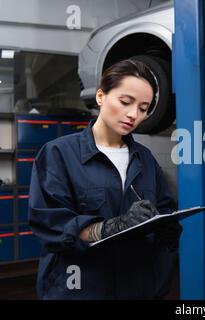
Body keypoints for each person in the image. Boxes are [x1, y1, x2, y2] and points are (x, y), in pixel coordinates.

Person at [28, 59, 182, 299]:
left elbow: (164, 211)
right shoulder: (58, 154)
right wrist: (112, 227)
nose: (133, 115)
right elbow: (52, 225)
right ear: (100, 96)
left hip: (136, 288)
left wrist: (166, 231)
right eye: (125, 102)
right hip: (81, 289)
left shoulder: (145, 159)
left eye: (143, 108)